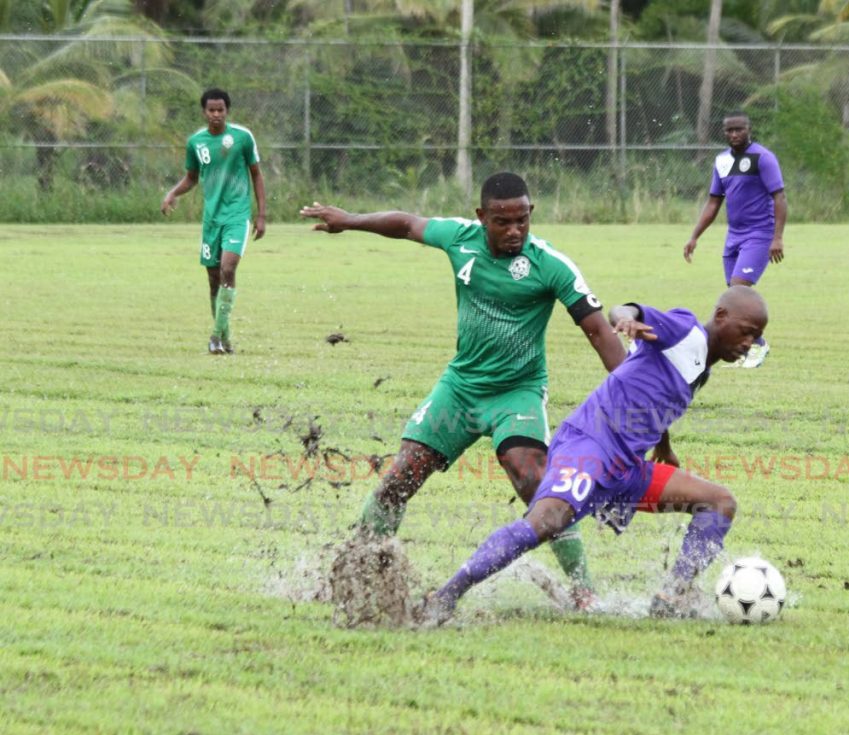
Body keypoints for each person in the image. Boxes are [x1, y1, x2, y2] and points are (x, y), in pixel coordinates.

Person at [299, 172, 636, 608]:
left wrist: (633, 395)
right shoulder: (459, 238)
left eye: (522, 220)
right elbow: (406, 224)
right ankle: (354, 570)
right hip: (460, 389)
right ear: (482, 218)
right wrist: (351, 220)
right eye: (502, 221)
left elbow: (597, 331)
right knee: (399, 479)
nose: (514, 230)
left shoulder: (551, 264)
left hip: (517, 392)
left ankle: (584, 591)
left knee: (535, 481)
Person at [419, 286, 768, 626]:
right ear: (721, 316)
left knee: (720, 502)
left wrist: (664, 446)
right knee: (546, 522)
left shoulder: (700, 366)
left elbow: (652, 392)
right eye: (747, 332)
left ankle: (671, 598)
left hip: (625, 467)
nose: (748, 343)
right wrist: (625, 319)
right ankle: (445, 596)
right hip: (589, 448)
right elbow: (627, 310)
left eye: (757, 339)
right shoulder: (685, 330)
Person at [161, 88, 267, 355]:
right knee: (212, 279)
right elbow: (192, 178)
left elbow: (256, 174)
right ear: (204, 112)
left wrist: (261, 214)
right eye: (212, 110)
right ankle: (226, 339)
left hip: (237, 215)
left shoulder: (242, 137)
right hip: (211, 219)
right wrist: (173, 193)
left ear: (227, 111)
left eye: (221, 110)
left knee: (228, 269)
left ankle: (215, 336)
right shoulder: (196, 142)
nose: (216, 114)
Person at [683, 111, 785, 368]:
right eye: (729, 130)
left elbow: (779, 198)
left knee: (740, 287)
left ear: (749, 129)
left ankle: (759, 345)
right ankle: (744, 345)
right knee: (733, 293)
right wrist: (695, 236)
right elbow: (714, 202)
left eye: (739, 129)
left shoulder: (764, 158)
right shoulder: (722, 161)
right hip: (734, 235)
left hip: (759, 234)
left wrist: (777, 238)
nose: (734, 134)